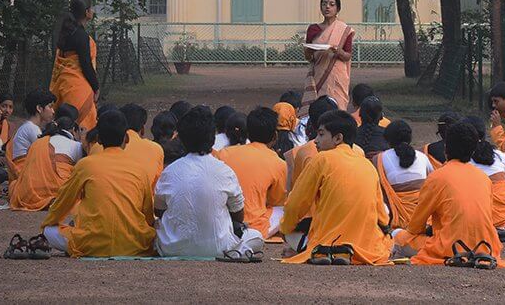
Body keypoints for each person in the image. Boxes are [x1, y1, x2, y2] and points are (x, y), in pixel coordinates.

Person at [280, 110, 393, 265]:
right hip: (366, 247)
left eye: (321, 134)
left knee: (289, 231)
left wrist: (285, 229)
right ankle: (343, 250)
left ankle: (324, 250)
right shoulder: (366, 163)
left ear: (338, 138)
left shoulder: (322, 159)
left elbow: (296, 204)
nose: (315, 141)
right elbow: (382, 215)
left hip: (326, 240)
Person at [392, 122, 505, 267]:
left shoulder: (437, 177)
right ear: (473, 151)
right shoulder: (484, 178)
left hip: (448, 248)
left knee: (397, 235)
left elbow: (415, 227)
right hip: (485, 248)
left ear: (446, 147)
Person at [154, 106, 266, 259]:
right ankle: (237, 250)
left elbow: (158, 211)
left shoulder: (170, 171)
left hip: (172, 248)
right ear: (212, 139)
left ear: (182, 139)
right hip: (220, 249)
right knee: (256, 236)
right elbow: (238, 216)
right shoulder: (225, 171)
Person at [40, 110, 157, 257]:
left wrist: (47, 225)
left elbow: (63, 202)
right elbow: (148, 216)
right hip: (134, 244)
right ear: (126, 138)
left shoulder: (86, 164)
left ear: (99, 139)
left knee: (49, 231)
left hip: (91, 243)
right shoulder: (139, 169)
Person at [217, 107, 288, 239]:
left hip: (224, 223)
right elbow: (276, 202)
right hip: (256, 227)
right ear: (275, 136)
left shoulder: (224, 153)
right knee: (284, 209)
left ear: (248, 133)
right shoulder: (279, 163)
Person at [285, 97, 366, 189]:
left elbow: (295, 191)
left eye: (322, 134)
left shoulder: (298, 153)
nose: (316, 141)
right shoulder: (358, 151)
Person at [9, 117, 85, 211]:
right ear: (74, 130)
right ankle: (56, 199)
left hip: (30, 194)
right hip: (59, 189)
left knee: (14, 185)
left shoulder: (38, 142)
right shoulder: (76, 145)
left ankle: (49, 199)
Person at [49, 0, 100, 131]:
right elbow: (86, 65)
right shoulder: (81, 36)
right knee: (82, 127)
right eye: (91, 8)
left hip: (63, 84)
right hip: (78, 88)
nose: (93, 11)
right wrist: (96, 87)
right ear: (86, 12)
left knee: (65, 124)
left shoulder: (65, 33)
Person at [300, 0, 355, 113]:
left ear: (337, 9)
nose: (327, 7)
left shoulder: (344, 30)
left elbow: (347, 56)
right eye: (324, 4)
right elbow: (309, 57)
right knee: (317, 108)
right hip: (318, 73)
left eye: (331, 4)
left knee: (337, 108)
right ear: (320, 7)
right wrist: (307, 50)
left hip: (337, 76)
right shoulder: (313, 29)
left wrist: (338, 51)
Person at [375, 120, 434, 229]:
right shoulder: (422, 157)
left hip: (395, 219)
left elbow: (378, 189)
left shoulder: (379, 159)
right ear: (410, 138)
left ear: (388, 140)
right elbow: (433, 182)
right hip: (424, 219)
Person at [8, 89, 57, 177]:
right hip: (24, 175)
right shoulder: (32, 129)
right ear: (39, 108)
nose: (53, 111)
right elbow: (45, 155)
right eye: (50, 106)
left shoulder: (29, 127)